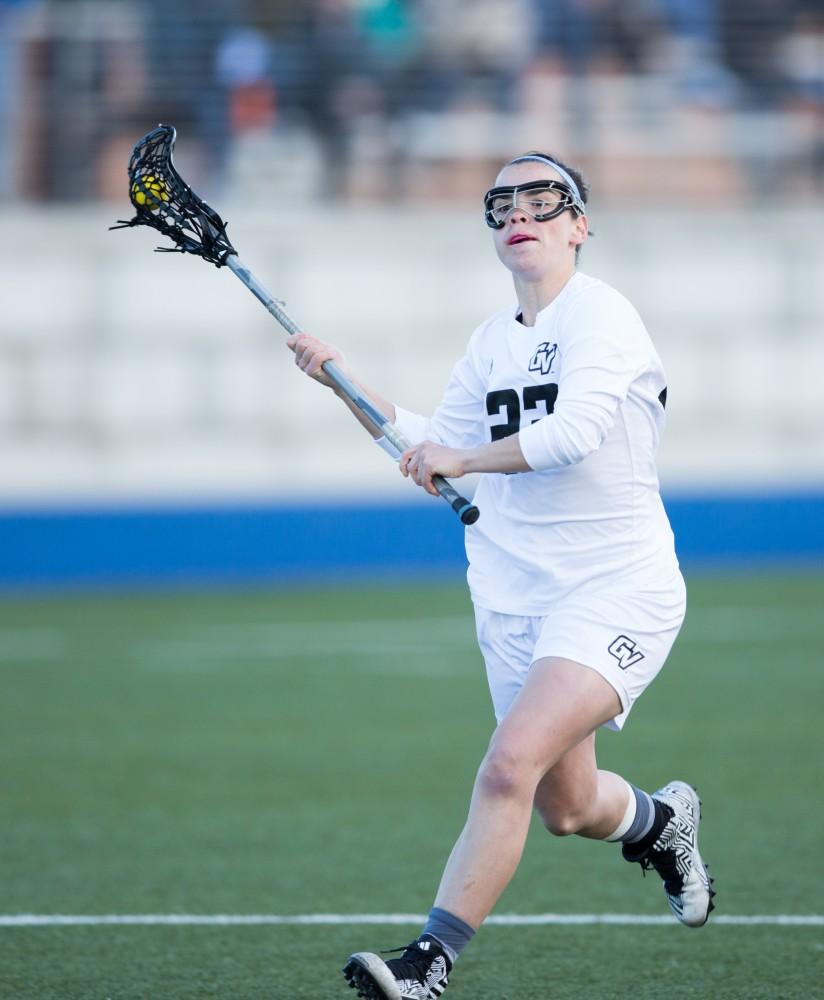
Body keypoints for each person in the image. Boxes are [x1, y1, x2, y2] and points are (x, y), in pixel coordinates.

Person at [287, 151, 715, 1000]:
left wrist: (462, 453)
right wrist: (342, 381)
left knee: (506, 764)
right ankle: (660, 824)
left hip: (616, 585)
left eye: (543, 199)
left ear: (579, 225)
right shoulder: (490, 342)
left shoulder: (606, 318)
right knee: (567, 805)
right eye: (503, 202)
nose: (520, 211)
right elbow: (430, 452)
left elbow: (572, 436)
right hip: (515, 598)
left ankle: (426, 963)